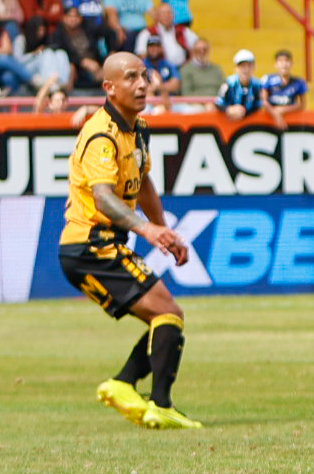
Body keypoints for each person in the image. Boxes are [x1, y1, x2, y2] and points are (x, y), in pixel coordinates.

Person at [57, 53, 201, 429]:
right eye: (131, 78)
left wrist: (162, 228)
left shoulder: (137, 129)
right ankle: (160, 404)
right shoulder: (100, 134)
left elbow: (145, 182)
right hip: (90, 246)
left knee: (165, 315)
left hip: (98, 246)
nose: (141, 84)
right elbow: (103, 197)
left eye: (144, 76)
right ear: (109, 87)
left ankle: (124, 385)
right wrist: (147, 230)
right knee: (168, 312)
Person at [261, 49, 307, 131]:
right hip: (269, 122)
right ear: (275, 64)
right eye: (280, 61)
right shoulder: (268, 79)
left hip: (291, 123)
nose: (284, 64)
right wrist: (276, 114)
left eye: (286, 61)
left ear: (291, 64)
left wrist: (283, 110)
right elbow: (264, 101)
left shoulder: (298, 82)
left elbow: (302, 104)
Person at [215, 49, 262, 121]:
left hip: (249, 123)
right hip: (229, 123)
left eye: (249, 65)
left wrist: (244, 112)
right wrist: (229, 110)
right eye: (242, 66)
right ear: (236, 68)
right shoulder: (229, 83)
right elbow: (218, 103)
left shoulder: (257, 84)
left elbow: (258, 105)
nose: (246, 69)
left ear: (254, 67)